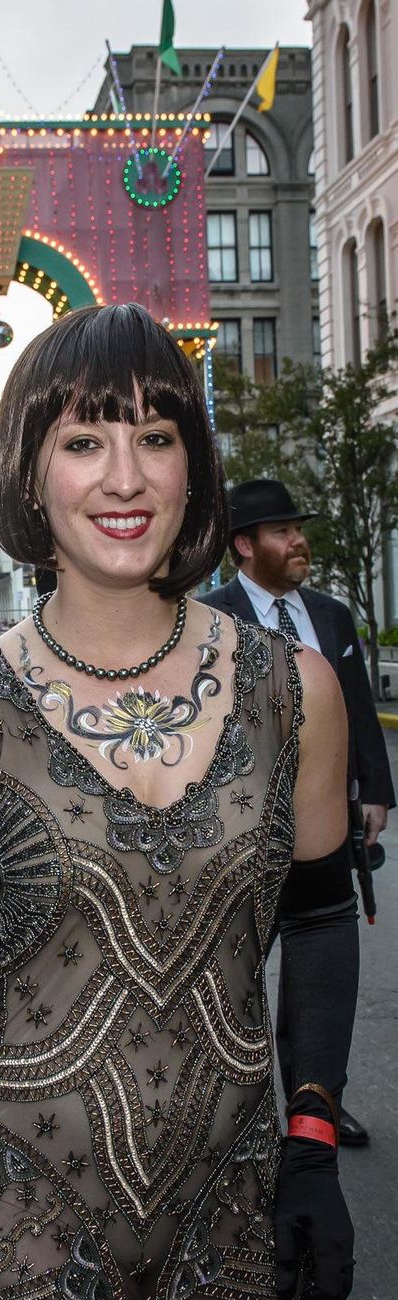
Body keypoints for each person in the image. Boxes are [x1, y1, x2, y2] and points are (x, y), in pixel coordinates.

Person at [0, 303, 358, 1300]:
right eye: (82, 440)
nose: (124, 477)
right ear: (28, 470)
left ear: (191, 465)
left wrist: (312, 1137)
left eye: (154, 437)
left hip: (232, 1214)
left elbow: (323, 918)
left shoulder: (294, 690)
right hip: (8, 1221)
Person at [204, 478, 395, 1148]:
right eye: (283, 531)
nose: (299, 541)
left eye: (298, 528)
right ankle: (227, 1116)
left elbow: (358, 705)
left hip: (326, 831)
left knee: (321, 980)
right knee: (233, 978)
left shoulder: (332, 615)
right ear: (245, 546)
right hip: (241, 836)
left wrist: (375, 788)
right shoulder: (209, 619)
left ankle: (318, 1103)